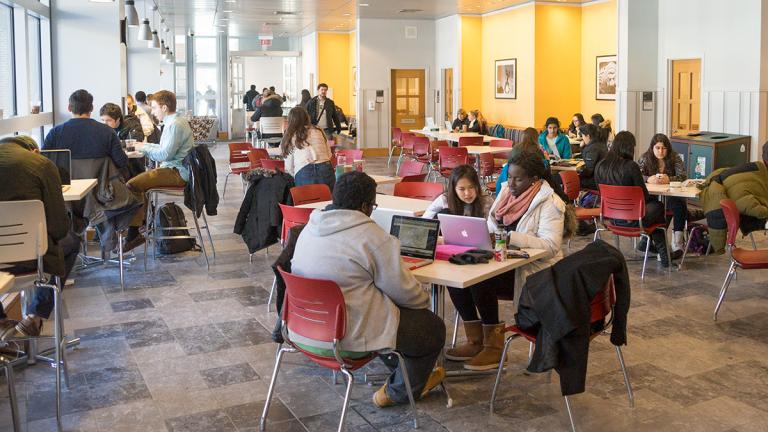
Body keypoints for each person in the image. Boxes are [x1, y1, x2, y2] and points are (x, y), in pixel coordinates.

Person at [291, 171, 446, 407]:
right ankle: (398, 391)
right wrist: (423, 297)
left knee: (389, 314)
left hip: (304, 330)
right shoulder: (372, 237)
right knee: (432, 328)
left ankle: (407, 374)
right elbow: (409, 296)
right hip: (348, 338)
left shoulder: (308, 228)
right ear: (365, 206)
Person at [471, 150, 566, 368]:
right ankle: (475, 340)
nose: (511, 183)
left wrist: (509, 237)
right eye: (509, 176)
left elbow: (551, 246)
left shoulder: (550, 202)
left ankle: (493, 348)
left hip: (536, 272)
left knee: (480, 281)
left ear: (534, 179)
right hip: (504, 262)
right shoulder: (505, 193)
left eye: (518, 178)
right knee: (460, 279)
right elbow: (490, 226)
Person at [0, 136, 81, 339]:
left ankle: (1, 322)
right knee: (71, 242)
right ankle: (35, 316)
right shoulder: (41, 165)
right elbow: (58, 228)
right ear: (34, 150)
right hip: (32, 260)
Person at [124, 90, 194, 251]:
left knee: (132, 184)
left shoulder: (174, 125)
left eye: (154, 108)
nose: (153, 112)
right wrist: (144, 146)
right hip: (174, 169)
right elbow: (164, 150)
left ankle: (136, 231)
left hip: (176, 172)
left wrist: (144, 147)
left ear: (164, 107)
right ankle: (141, 225)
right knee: (138, 183)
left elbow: (163, 154)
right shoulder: (175, 122)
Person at [595, 131, 674, 266]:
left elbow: (600, 192)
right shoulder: (631, 166)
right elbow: (643, 197)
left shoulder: (600, 166)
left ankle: (653, 248)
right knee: (659, 207)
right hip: (632, 220)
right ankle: (663, 255)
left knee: (655, 209)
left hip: (611, 218)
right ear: (629, 148)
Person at [42, 89, 128, 171]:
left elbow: (43, 161)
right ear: (92, 108)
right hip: (101, 183)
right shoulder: (108, 132)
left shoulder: (55, 133)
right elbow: (122, 162)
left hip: (68, 184)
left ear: (69, 108)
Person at [638, 133, 688, 256]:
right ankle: (650, 240)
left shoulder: (675, 157)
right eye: (658, 148)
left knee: (679, 205)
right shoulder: (645, 158)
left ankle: (677, 242)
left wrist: (669, 179)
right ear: (652, 148)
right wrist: (648, 178)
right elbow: (637, 175)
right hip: (651, 196)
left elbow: (683, 176)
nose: (661, 151)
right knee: (657, 208)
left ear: (668, 149)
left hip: (670, 193)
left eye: (664, 148)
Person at [281, 106, 335, 191]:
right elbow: (329, 154)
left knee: (306, 202)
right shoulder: (318, 130)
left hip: (304, 170)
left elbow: (289, 167)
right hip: (326, 168)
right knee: (328, 200)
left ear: (290, 120)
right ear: (307, 117)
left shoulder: (290, 135)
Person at [423, 164, 492, 219]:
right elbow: (426, 220)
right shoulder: (445, 200)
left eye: (471, 187)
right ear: (454, 189)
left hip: (477, 236)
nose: (467, 193)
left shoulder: (486, 201)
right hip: (449, 236)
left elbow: (494, 228)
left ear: (477, 186)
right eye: (462, 189)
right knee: (445, 212)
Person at [578, 123, 608, 190]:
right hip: (602, 179)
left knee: (572, 180)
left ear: (588, 136)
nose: (582, 138)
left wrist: (578, 175)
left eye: (582, 136)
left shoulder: (592, 149)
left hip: (594, 181)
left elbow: (589, 170)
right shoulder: (601, 144)